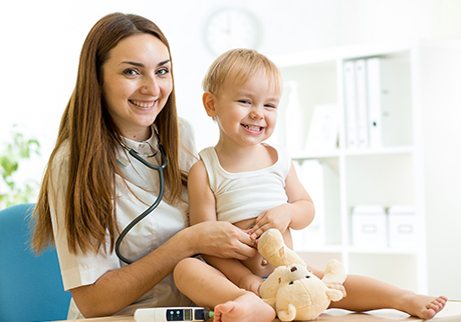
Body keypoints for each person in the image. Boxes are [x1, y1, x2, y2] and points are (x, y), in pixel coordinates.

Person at [173, 48, 447, 322]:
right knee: (186, 269)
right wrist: (246, 280)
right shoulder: (205, 169)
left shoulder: (278, 160)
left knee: (338, 283)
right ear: (211, 104)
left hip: (289, 271)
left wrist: (288, 212)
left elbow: (306, 209)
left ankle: (403, 299)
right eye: (245, 101)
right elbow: (207, 242)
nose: (258, 114)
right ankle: (247, 303)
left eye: (269, 105)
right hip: (237, 279)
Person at [31, 13, 260, 319]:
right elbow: (94, 302)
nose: (152, 88)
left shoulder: (180, 136)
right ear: (97, 79)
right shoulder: (72, 162)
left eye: (162, 71)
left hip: (199, 311)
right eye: (132, 72)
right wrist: (189, 241)